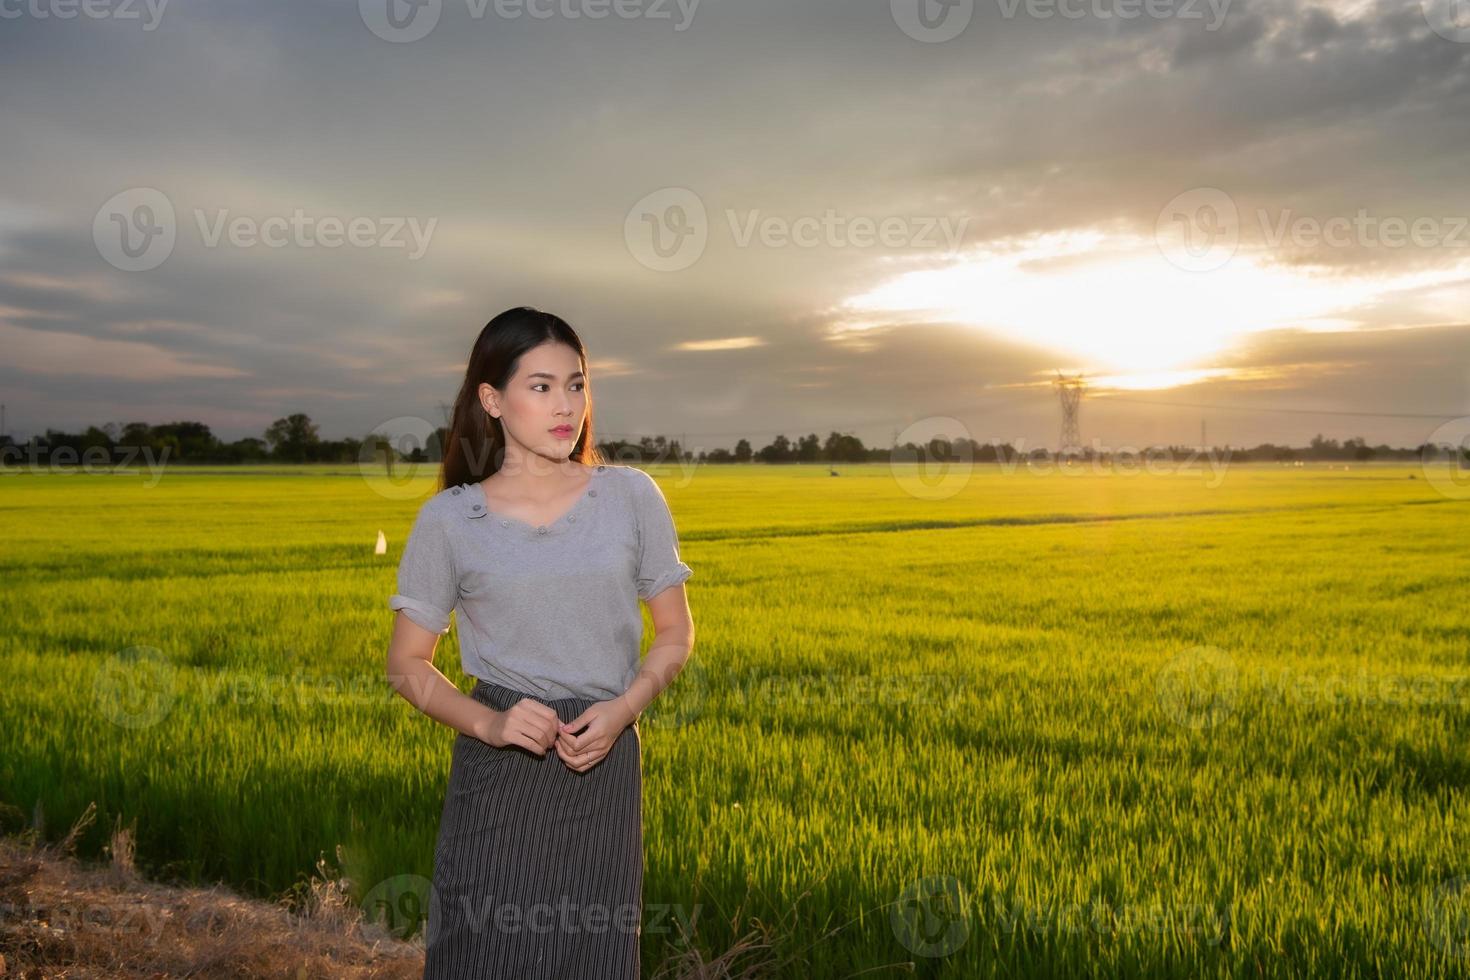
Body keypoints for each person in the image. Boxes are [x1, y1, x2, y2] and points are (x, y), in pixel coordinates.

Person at [384, 306, 696, 978]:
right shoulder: (451, 519)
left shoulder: (631, 497)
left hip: (603, 759)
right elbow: (407, 665)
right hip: (501, 773)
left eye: (577, 385)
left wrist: (625, 708)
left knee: (596, 954)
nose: (567, 406)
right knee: (490, 954)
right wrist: (492, 723)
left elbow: (674, 631)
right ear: (492, 400)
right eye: (542, 386)